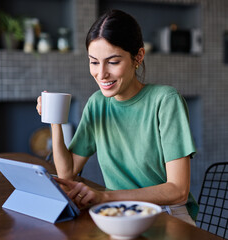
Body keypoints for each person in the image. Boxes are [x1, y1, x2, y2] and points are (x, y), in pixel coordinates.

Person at [36, 9, 198, 225]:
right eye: (94, 62)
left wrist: (105, 196)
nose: (101, 74)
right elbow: (66, 174)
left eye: (112, 62)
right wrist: (55, 119)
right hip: (118, 212)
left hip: (166, 215)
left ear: (138, 57)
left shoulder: (165, 100)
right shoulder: (97, 104)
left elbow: (178, 191)